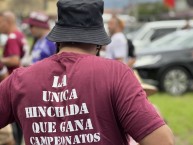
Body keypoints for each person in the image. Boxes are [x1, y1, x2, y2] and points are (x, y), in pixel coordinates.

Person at [0, 0, 174, 145]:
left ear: (58, 38)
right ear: (98, 42)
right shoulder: (116, 74)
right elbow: (162, 141)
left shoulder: (19, 79)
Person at [0, 11, 28, 145]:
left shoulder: (11, 37)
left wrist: (1, 60)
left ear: (7, 21)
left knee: (14, 123)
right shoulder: (19, 34)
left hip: (12, 81)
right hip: (20, 81)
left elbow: (14, 60)